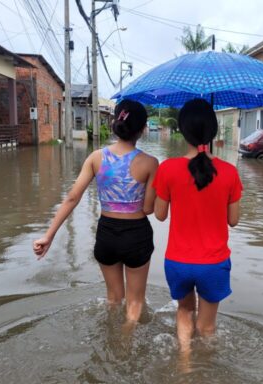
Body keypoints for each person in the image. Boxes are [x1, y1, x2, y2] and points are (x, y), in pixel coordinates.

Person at [33, 99, 158, 326]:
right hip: (137, 234)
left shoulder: (96, 157)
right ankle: (126, 343)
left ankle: (111, 338)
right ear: (142, 129)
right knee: (135, 302)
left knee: (113, 299)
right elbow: (149, 208)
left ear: (115, 123)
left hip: (107, 234)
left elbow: (72, 197)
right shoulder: (150, 163)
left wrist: (48, 236)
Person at [153, 98, 242, 354]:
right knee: (207, 328)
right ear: (213, 131)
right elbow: (233, 220)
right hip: (213, 264)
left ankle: (184, 362)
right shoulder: (229, 172)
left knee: (184, 311)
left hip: (178, 262)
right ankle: (203, 374)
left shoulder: (168, 168)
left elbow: (159, 214)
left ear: (182, 130)